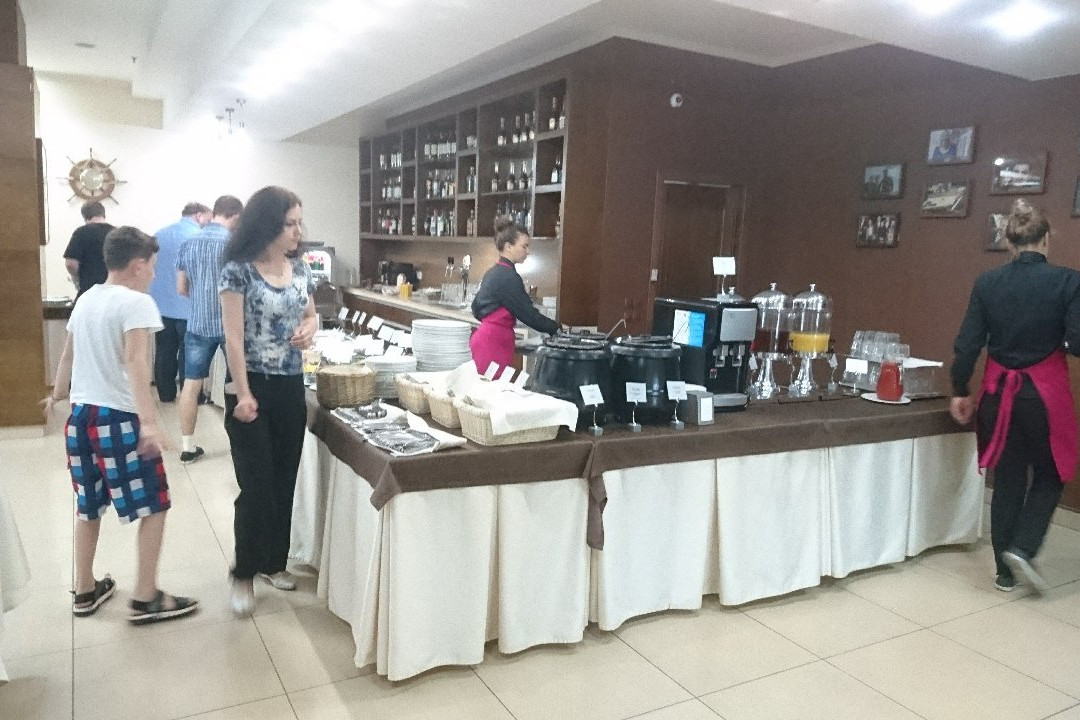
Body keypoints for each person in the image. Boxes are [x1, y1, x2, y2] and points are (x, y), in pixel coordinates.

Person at [42, 226, 199, 624]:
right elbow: (135, 360)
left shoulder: (87, 298)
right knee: (155, 503)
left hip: (80, 416)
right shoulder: (137, 302)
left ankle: (84, 588)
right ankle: (145, 597)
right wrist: (149, 422)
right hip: (117, 418)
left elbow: (68, 355)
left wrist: (57, 395)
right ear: (137, 265)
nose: (153, 275)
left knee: (88, 504)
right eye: (152, 267)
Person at [950, 199, 1080, 594]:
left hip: (996, 395)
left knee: (1007, 479)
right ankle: (1023, 547)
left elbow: (968, 344)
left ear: (1009, 242)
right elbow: (1077, 343)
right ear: (1046, 239)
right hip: (1044, 397)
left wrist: (960, 389)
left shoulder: (987, 283)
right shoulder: (1069, 282)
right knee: (1051, 473)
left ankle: (1004, 573)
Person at [219, 187, 317, 617]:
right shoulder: (238, 271)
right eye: (289, 223)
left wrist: (310, 330)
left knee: (283, 480)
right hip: (251, 386)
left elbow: (311, 314)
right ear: (267, 225)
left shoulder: (300, 269)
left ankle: (273, 562)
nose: (297, 231)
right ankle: (244, 571)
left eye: (299, 223)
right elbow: (233, 336)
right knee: (256, 487)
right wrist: (243, 393)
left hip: (290, 385)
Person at [175, 195, 244, 463]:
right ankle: (239, 444)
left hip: (197, 324)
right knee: (237, 384)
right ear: (236, 216)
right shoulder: (235, 246)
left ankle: (187, 446)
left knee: (191, 384)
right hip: (231, 326)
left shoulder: (188, 243)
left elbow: (181, 288)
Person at [470, 216, 562, 373]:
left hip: (489, 339)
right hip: (493, 343)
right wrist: (556, 328)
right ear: (508, 247)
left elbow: (476, 308)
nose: (528, 251)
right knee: (493, 386)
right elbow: (528, 314)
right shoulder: (508, 276)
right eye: (524, 246)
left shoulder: (493, 272)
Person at [149, 202, 211, 403]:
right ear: (199, 215)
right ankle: (190, 396)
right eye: (208, 219)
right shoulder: (200, 238)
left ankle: (165, 394)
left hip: (161, 306)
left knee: (164, 351)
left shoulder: (159, 235)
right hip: (190, 306)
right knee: (190, 353)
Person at [63, 201, 115, 301]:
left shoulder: (81, 232)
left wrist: (78, 278)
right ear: (104, 214)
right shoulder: (116, 233)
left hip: (89, 290)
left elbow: (71, 264)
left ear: (84, 216)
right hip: (113, 291)